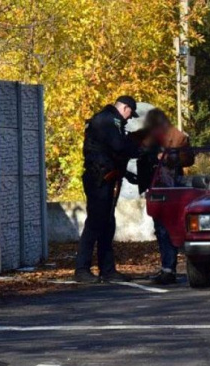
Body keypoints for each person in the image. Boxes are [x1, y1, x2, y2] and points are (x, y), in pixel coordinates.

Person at [74, 95, 145, 284]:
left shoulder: (106, 120)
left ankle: (107, 269)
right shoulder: (109, 120)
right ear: (125, 108)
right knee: (96, 223)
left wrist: (127, 173)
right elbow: (119, 147)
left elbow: (110, 152)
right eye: (130, 114)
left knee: (107, 224)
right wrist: (138, 149)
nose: (129, 118)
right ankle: (82, 269)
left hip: (104, 177)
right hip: (99, 180)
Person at [135, 109, 191, 285]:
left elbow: (187, 158)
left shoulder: (175, 137)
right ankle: (168, 268)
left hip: (168, 189)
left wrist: (168, 157)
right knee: (162, 229)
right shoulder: (151, 139)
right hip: (159, 189)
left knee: (166, 229)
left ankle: (169, 269)